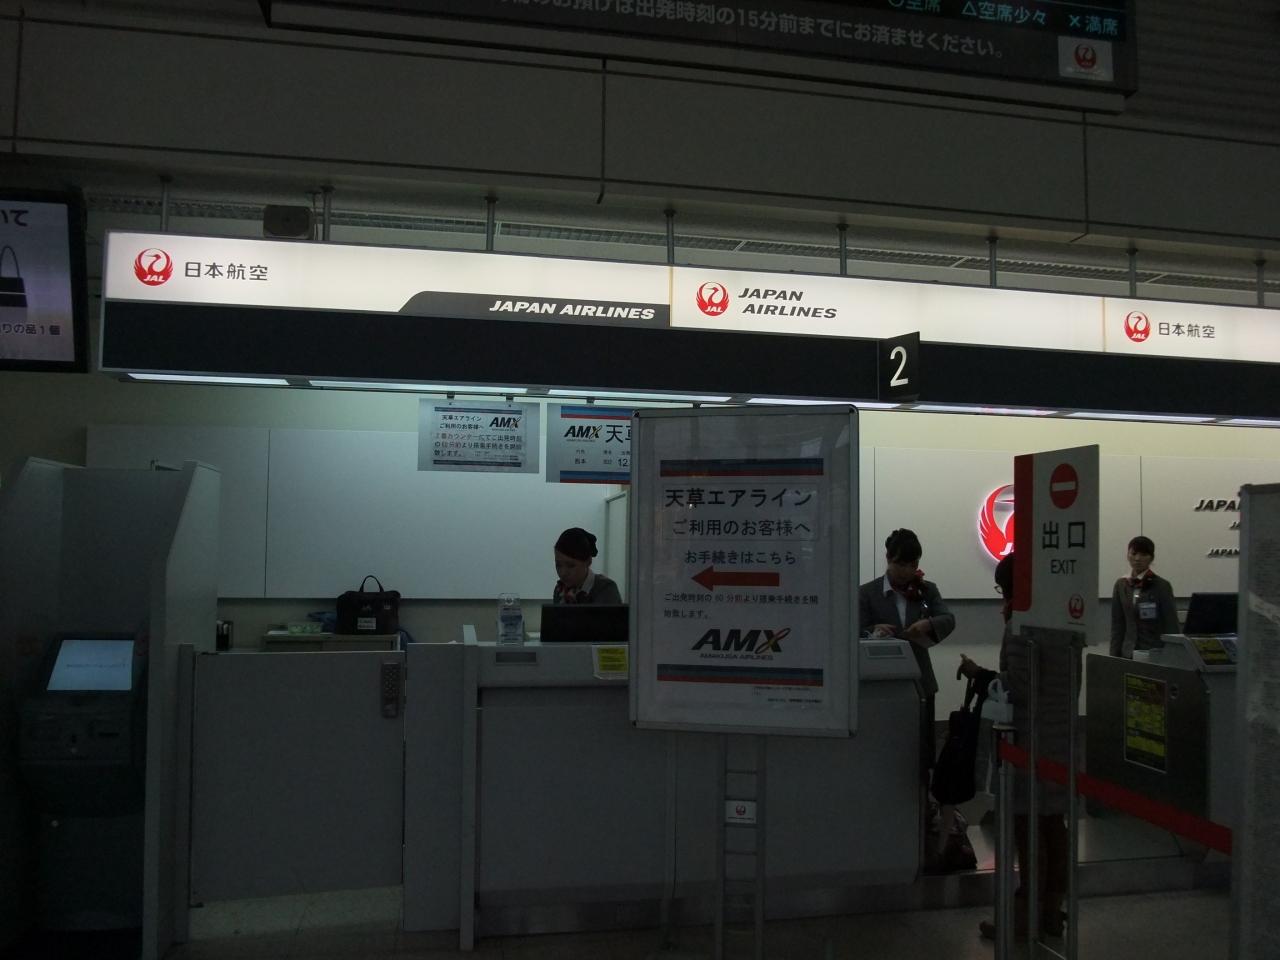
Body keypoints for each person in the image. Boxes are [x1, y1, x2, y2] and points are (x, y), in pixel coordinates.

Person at [960, 553, 1074, 942]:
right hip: (1061, 737)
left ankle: (1023, 918)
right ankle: (1052, 912)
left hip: (1029, 741)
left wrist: (981, 676)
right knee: (1054, 826)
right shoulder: (1065, 619)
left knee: (1029, 830)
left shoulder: (1022, 624)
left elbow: (1021, 687)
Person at [1110, 535, 1179, 658]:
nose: (1137, 558)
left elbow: (1171, 624)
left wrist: (1173, 655)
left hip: (1153, 652)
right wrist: (1113, 656)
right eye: (1134, 553)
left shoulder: (1162, 586)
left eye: (1143, 554)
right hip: (1127, 652)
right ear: (1128, 555)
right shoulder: (1121, 585)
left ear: (1151, 558)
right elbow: (1117, 625)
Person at [552, 527, 621, 604]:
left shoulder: (605, 589)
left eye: (571, 566)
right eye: (558, 565)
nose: (563, 573)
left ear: (588, 561)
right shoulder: (560, 590)